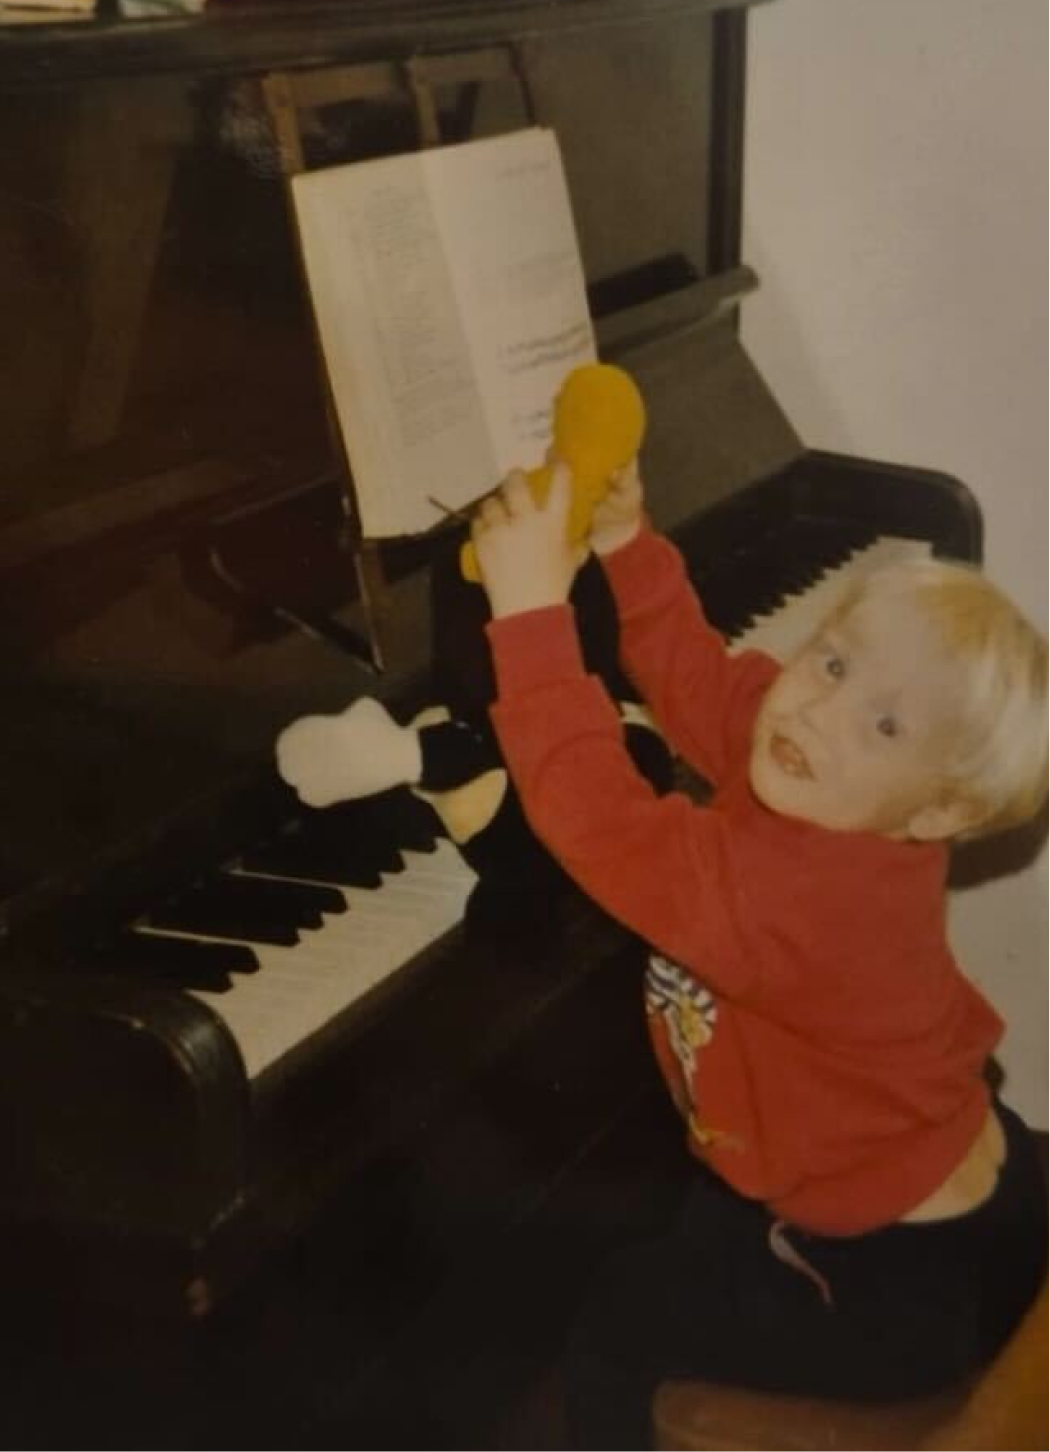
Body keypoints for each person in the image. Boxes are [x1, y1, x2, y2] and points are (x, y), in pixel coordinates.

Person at [468, 458, 1050, 1452]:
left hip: (896, 1272)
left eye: (885, 721)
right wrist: (627, 544)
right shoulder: (839, 786)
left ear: (942, 810)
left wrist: (530, 617)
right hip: (914, 1164)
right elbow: (706, 683)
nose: (816, 710)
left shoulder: (801, 896)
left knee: (614, 1324)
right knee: (684, 1233)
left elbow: (599, 818)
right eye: (832, 661)